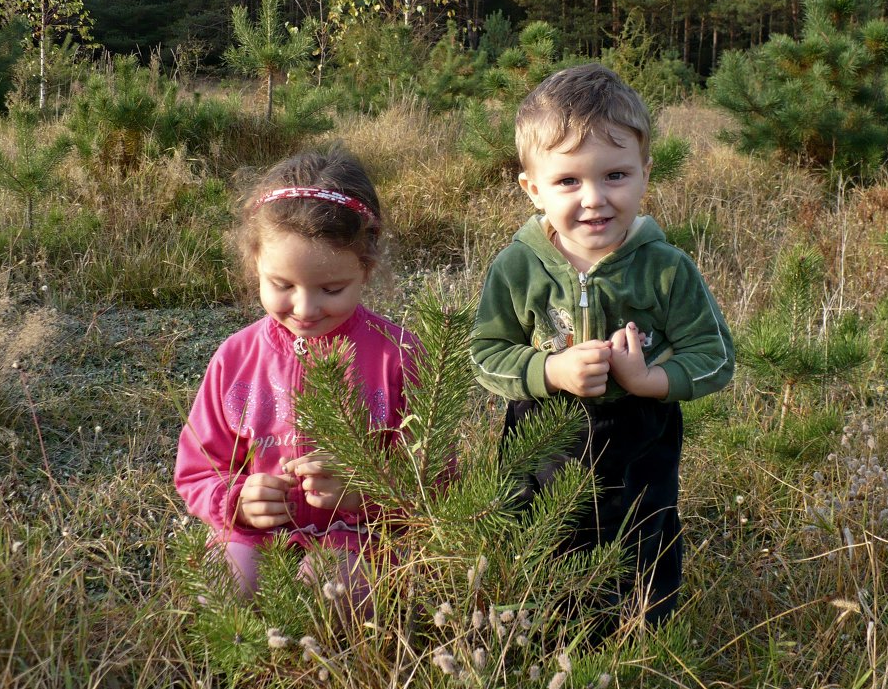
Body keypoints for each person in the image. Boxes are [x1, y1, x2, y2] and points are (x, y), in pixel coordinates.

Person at [470, 63, 734, 625]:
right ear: (532, 189)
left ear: (645, 173)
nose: (594, 199)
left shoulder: (667, 269)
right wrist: (552, 370)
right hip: (543, 430)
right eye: (568, 181)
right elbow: (486, 354)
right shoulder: (518, 267)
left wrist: (650, 381)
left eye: (615, 175)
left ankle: (636, 637)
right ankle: (539, 637)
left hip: (640, 431)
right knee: (537, 533)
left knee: (643, 532)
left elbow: (714, 357)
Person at [175, 144, 418, 604]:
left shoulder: (398, 356)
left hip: (360, 536)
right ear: (256, 265)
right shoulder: (236, 357)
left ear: (366, 268)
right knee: (221, 594)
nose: (305, 309)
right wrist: (237, 501)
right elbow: (197, 469)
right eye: (282, 286)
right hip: (254, 535)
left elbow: (435, 478)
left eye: (332, 288)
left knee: (331, 595)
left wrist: (362, 491)